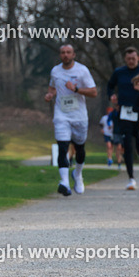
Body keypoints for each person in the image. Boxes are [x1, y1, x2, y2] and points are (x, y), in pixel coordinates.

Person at [43, 44, 97, 195]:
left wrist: (77, 89)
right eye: (62, 53)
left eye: (68, 52)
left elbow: (94, 92)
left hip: (79, 116)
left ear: (74, 55)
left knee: (80, 148)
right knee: (62, 146)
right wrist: (50, 95)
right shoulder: (55, 71)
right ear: (60, 55)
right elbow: (52, 87)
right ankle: (64, 182)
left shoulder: (82, 70)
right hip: (61, 114)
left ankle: (78, 175)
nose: (65, 55)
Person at [107, 47, 139, 190]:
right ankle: (131, 178)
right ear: (125, 59)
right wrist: (111, 96)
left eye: (133, 58)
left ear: (138, 58)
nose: (131, 61)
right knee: (127, 144)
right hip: (124, 111)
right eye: (128, 58)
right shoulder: (119, 72)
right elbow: (110, 86)